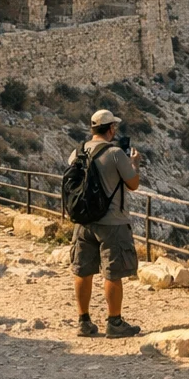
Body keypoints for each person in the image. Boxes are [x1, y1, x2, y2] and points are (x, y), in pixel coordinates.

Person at [68, 109, 143, 338]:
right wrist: (135, 163)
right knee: (113, 273)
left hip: (83, 221)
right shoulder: (115, 154)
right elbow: (133, 184)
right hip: (112, 222)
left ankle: (83, 321)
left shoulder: (76, 152)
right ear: (111, 129)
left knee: (83, 270)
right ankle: (114, 322)